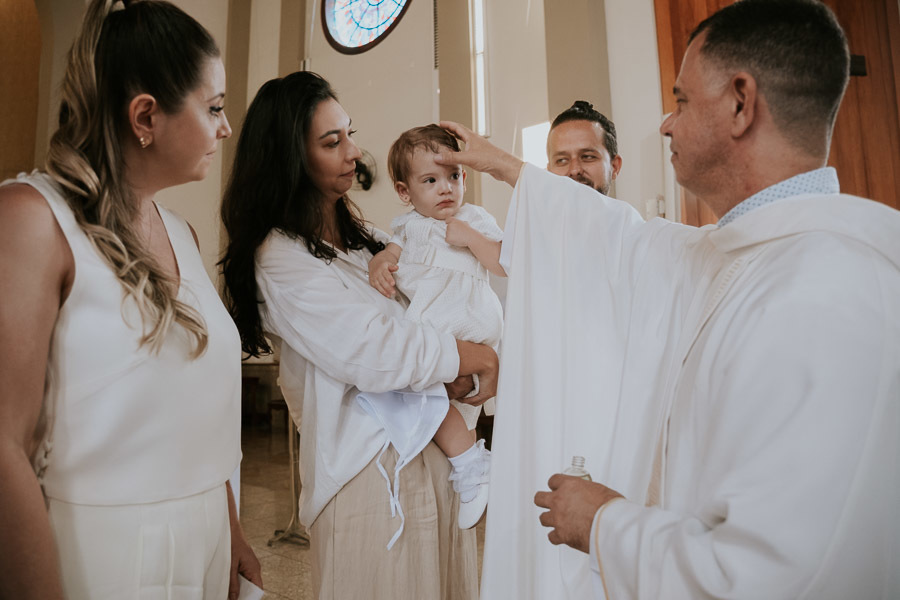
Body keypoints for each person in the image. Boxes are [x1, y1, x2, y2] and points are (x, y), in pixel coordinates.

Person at [440, 1, 900, 599]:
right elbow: (623, 241)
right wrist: (503, 166)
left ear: (740, 102)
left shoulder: (822, 290)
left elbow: (774, 576)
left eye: (681, 101)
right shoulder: (740, 251)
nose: (665, 123)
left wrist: (605, 523)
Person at [0, 1, 262, 599]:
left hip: (207, 543)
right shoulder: (32, 220)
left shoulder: (185, 237)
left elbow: (195, 402)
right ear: (146, 115)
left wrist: (228, 527)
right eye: (214, 107)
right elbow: (3, 444)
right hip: (105, 554)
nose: (225, 127)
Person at [219, 71, 497, 599]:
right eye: (332, 142)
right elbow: (372, 348)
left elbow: (431, 310)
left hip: (437, 457)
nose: (353, 151)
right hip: (370, 477)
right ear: (290, 158)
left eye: (349, 132)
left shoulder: (368, 238)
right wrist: (468, 356)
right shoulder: (279, 256)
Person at [365, 124, 504, 530]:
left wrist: (472, 239)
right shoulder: (407, 226)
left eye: (454, 176)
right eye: (431, 180)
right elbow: (391, 251)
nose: (446, 188)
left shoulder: (474, 217)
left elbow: (503, 263)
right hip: (431, 328)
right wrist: (379, 263)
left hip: (465, 322)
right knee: (437, 405)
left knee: (429, 396)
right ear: (405, 192)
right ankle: (470, 465)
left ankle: (473, 466)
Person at [546, 100, 622, 195]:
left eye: (588, 157)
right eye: (561, 160)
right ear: (548, 173)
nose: (574, 170)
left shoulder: (626, 210)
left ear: (614, 166)